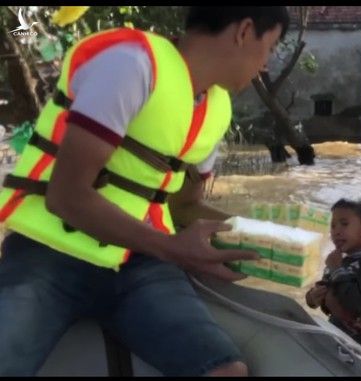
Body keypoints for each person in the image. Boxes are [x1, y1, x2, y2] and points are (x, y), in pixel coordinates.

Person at [0, 7, 289, 377]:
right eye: (272, 46)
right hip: (49, 255)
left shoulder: (216, 110)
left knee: (226, 371)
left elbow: (184, 207)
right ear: (245, 31)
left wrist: (265, 244)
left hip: (141, 267)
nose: (266, 64)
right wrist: (172, 248)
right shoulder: (131, 65)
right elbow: (66, 195)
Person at [305, 198, 361, 347]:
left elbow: (357, 303)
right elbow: (326, 294)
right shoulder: (339, 260)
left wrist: (337, 270)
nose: (336, 231)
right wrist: (313, 297)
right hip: (334, 336)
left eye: (344, 224)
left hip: (357, 349)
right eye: (333, 226)